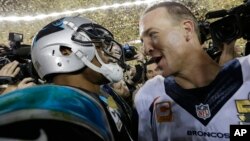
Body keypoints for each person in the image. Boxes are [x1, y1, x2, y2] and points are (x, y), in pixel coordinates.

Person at [0, 16, 134, 141]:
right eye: (99, 46)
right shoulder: (59, 103)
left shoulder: (104, 92)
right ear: (65, 51)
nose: (108, 55)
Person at [135, 1, 250, 141]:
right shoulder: (149, 95)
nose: (146, 49)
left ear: (187, 30)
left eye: (153, 34)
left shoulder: (246, 73)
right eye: (142, 41)